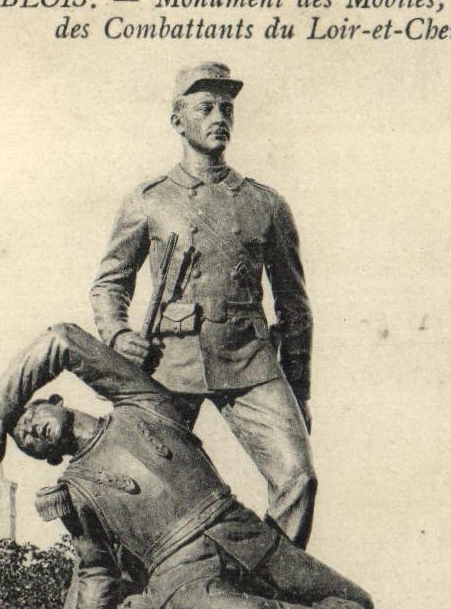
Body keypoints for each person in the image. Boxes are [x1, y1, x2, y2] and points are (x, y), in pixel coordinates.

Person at [0, 323, 416, 609]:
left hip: (241, 533)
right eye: (23, 440)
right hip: (180, 579)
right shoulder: (73, 491)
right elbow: (96, 569)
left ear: (55, 400)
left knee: (353, 593)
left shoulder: (141, 403)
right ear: (46, 458)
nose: (28, 430)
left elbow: (63, 340)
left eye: (27, 418)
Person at [89, 63, 317, 548]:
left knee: (297, 477)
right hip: (172, 363)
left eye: (226, 109)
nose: (219, 118)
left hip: (251, 361)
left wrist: (299, 392)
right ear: (178, 120)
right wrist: (117, 333)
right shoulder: (149, 201)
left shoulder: (266, 204)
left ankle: (271, 577)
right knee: (137, 481)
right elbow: (110, 284)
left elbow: (294, 306)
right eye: (206, 108)